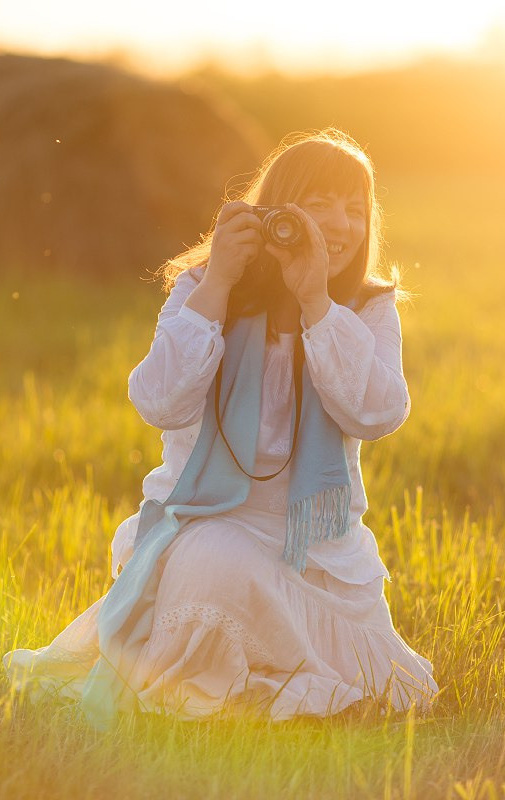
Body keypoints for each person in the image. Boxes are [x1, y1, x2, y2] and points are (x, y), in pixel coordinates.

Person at [3, 128, 438, 727]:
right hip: (204, 523)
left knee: (227, 568)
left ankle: (239, 686)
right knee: (212, 555)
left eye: (355, 209)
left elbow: (378, 413)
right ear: (276, 215)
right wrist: (217, 285)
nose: (340, 225)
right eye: (318, 205)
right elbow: (159, 401)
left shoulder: (366, 306)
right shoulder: (205, 288)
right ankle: (210, 692)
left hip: (309, 552)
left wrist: (316, 302)